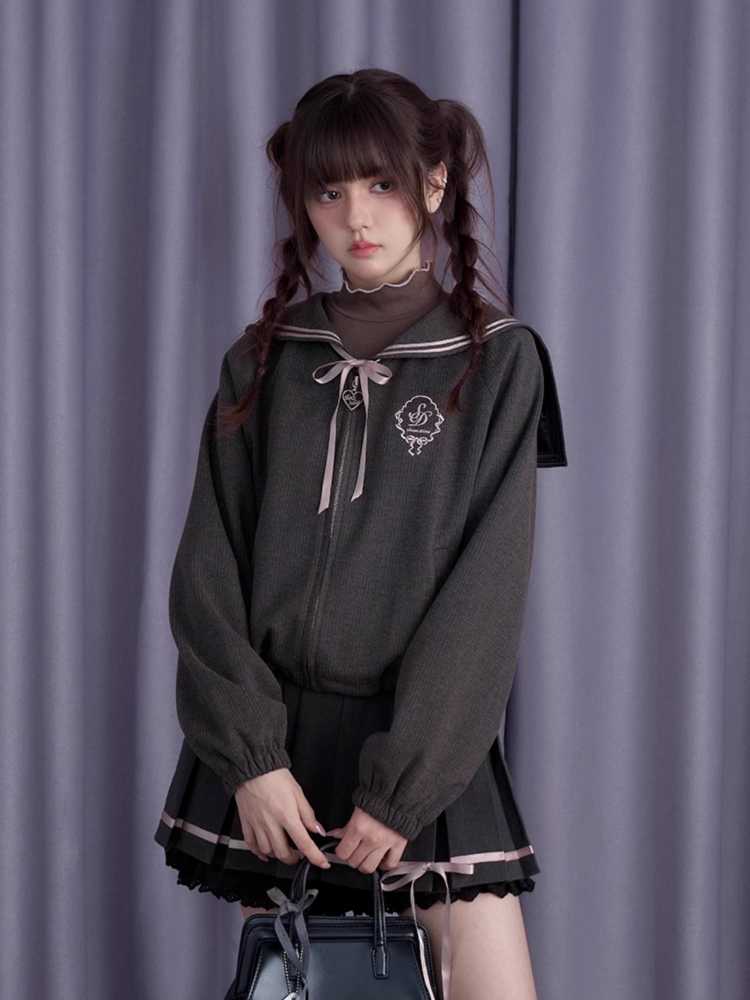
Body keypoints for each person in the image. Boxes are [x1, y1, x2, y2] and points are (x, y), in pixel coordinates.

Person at [153, 67, 567, 1000]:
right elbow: (207, 572)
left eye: (382, 183)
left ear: (434, 183)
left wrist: (404, 786)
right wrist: (253, 762)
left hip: (425, 745)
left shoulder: (497, 363)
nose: (356, 216)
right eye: (328, 191)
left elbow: (486, 592)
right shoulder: (265, 360)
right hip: (281, 766)